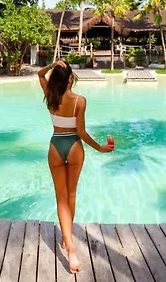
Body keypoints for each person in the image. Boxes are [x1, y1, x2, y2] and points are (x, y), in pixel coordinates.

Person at [38, 60, 114, 274]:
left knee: (60, 198)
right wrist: (99, 148)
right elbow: (81, 132)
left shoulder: (50, 95)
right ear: (71, 77)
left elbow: (39, 75)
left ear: (55, 79)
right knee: (71, 195)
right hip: (74, 147)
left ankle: (69, 244)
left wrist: (51, 65)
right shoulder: (79, 101)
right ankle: (68, 239)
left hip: (55, 145)